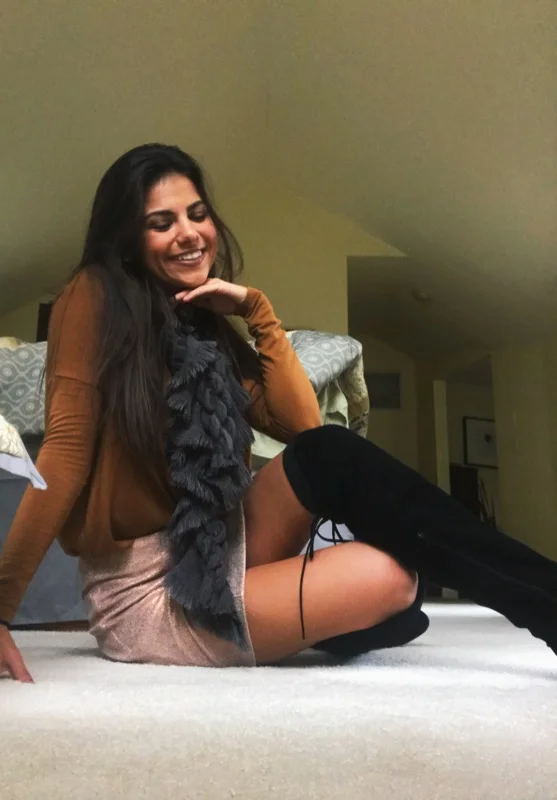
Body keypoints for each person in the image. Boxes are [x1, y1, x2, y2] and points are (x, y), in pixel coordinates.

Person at [2, 144, 556, 683]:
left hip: (219, 539)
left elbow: (303, 429)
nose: (189, 233)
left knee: (330, 457)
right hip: (148, 585)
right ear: (127, 239)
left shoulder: (200, 319)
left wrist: (256, 311)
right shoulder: (93, 294)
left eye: (198, 214)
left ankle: (545, 602)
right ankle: (346, 615)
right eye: (161, 223)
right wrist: (0, 607)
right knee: (394, 581)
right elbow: (65, 452)